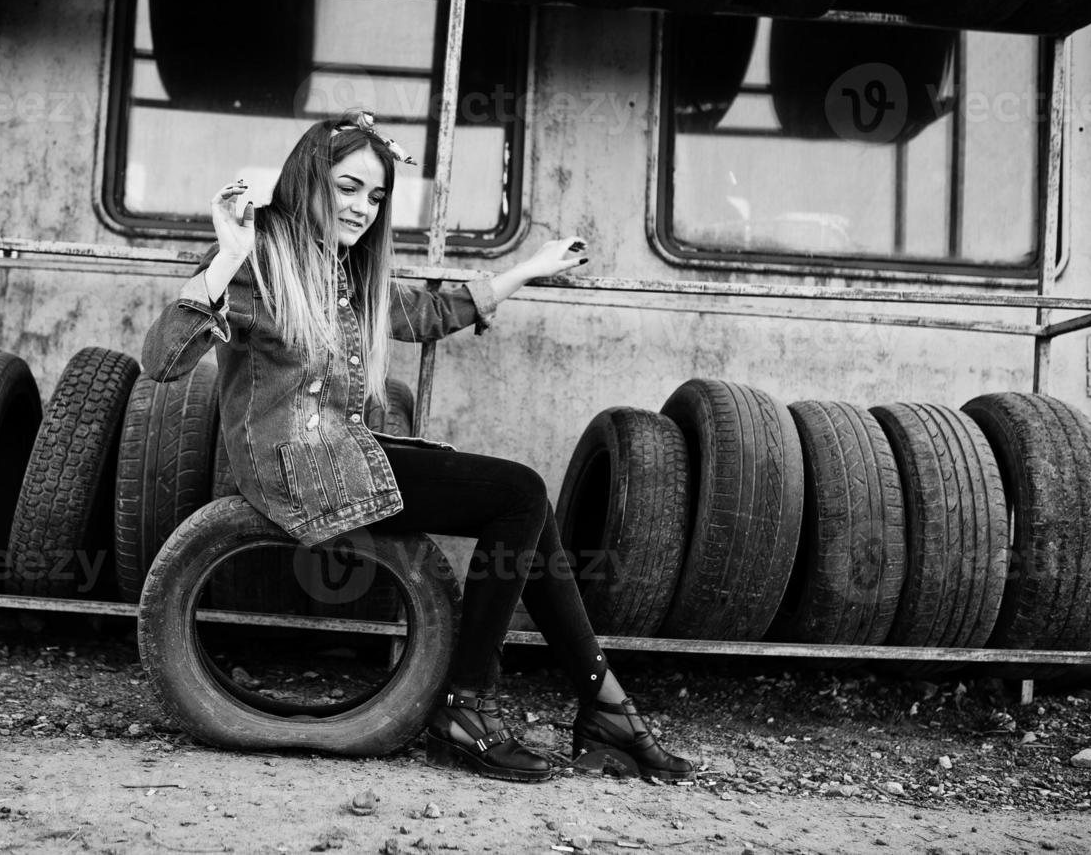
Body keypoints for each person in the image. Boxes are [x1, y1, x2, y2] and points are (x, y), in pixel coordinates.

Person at [142, 109, 692, 784]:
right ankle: (472, 705)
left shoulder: (341, 270)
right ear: (307, 178)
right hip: (295, 469)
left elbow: (425, 314)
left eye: (374, 197)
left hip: (339, 451)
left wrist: (530, 268)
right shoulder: (258, 260)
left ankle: (604, 705)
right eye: (346, 188)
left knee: (528, 505)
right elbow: (163, 362)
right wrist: (226, 253)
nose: (362, 209)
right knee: (517, 494)